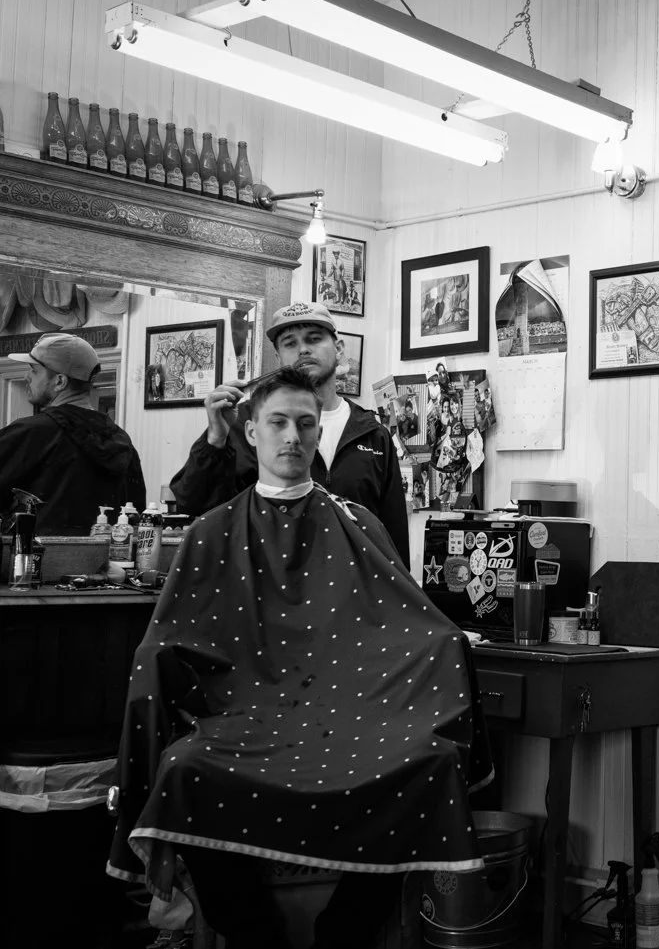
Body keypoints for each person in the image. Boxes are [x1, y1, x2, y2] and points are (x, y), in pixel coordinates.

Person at [108, 367, 494, 949]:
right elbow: (167, 638)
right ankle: (254, 933)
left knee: (431, 763)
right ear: (251, 431)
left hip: (355, 715)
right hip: (241, 717)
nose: (293, 436)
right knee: (184, 769)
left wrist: (448, 643)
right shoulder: (211, 532)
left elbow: (415, 623)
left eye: (306, 424)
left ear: (318, 433)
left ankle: (343, 935)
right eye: (278, 423)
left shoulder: (358, 523)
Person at [169, 302, 408, 564]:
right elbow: (195, 504)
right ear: (279, 358)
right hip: (270, 579)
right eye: (290, 343)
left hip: (355, 584)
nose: (303, 349)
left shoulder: (373, 434)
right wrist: (216, 439)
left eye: (313, 339)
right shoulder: (248, 422)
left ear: (339, 349)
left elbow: (393, 536)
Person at [0, 333, 146, 534]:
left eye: (34, 370)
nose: (27, 376)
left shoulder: (31, 433)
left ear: (60, 381)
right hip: (108, 554)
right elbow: (137, 518)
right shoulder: (122, 442)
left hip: (37, 554)